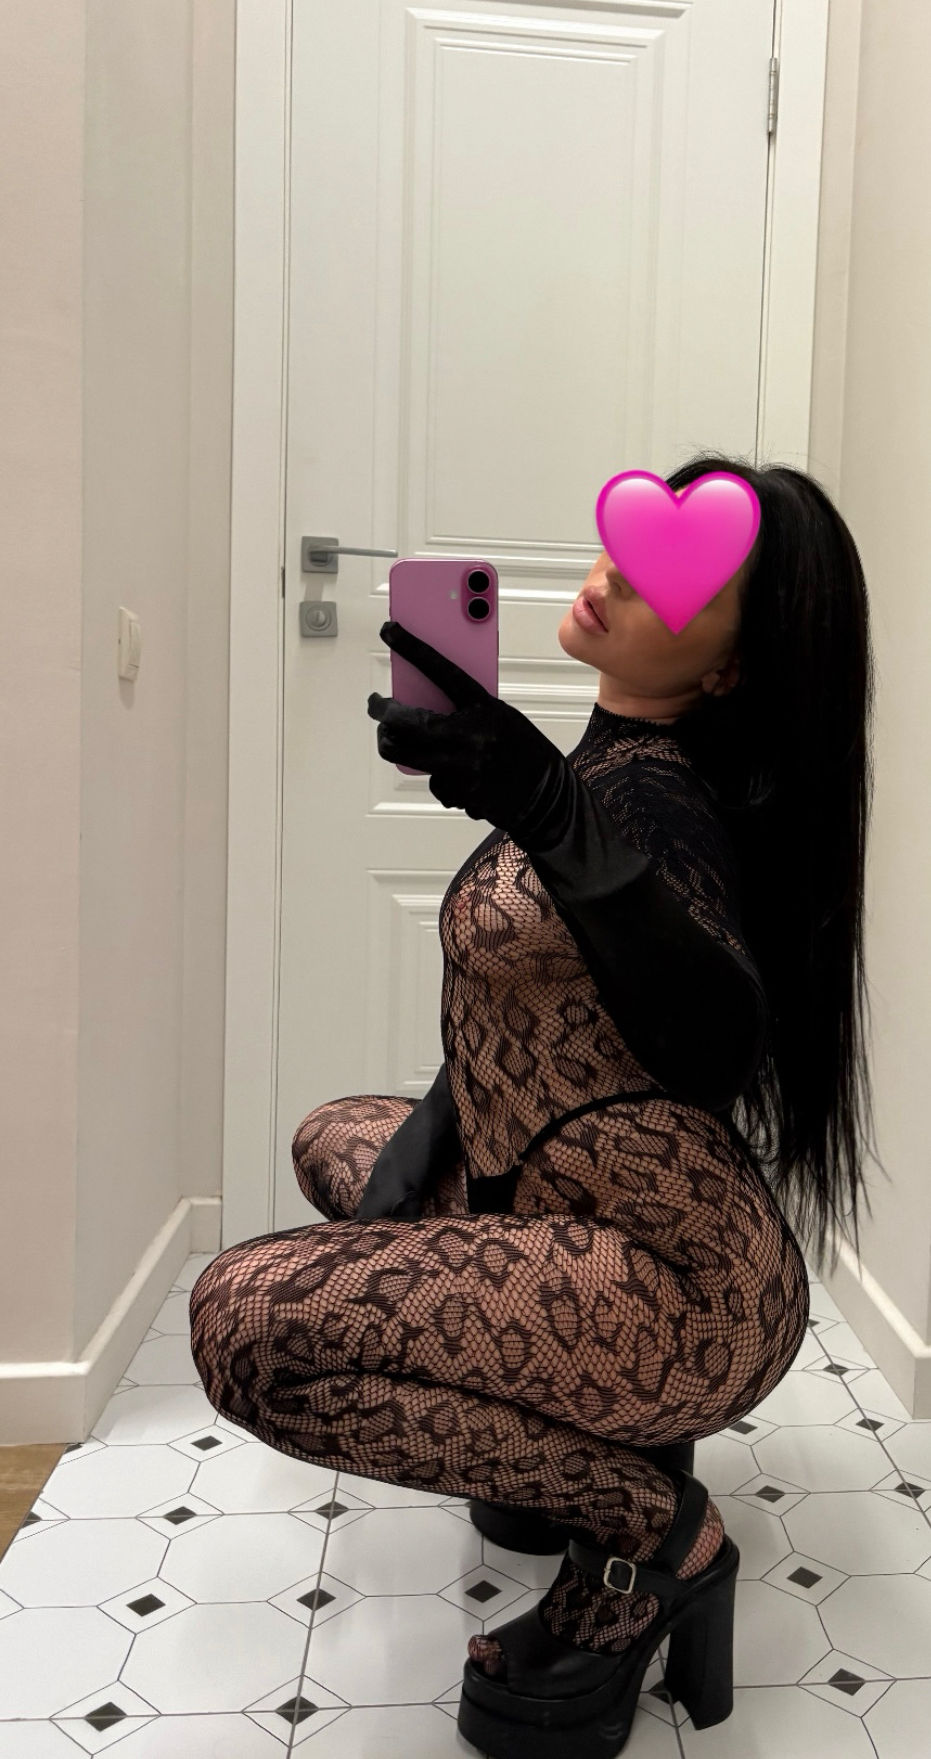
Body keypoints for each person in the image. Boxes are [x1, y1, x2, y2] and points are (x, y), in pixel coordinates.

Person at [190, 454, 878, 1759]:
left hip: (684, 1288)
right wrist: (425, 1149)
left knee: (247, 1325)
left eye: (676, 575)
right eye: (627, 540)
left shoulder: (664, 800)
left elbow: (717, 1039)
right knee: (339, 1139)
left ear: (731, 668)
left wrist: (548, 807)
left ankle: (653, 1533)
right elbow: (523, 1020)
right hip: (567, 1203)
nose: (616, 571)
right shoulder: (612, 762)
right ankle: (566, 1421)